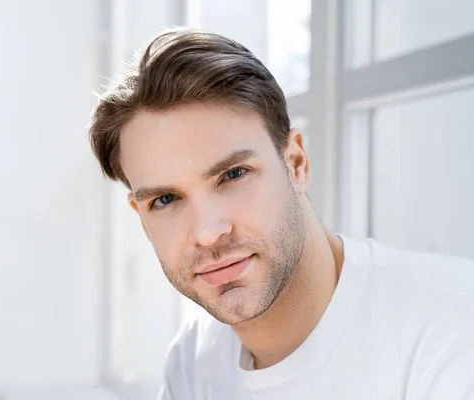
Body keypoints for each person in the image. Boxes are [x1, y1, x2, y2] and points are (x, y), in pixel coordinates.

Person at [88, 28, 474, 399]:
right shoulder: (192, 361)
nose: (208, 232)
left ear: (296, 162)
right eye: (166, 200)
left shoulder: (452, 328)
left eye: (233, 175)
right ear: (142, 219)